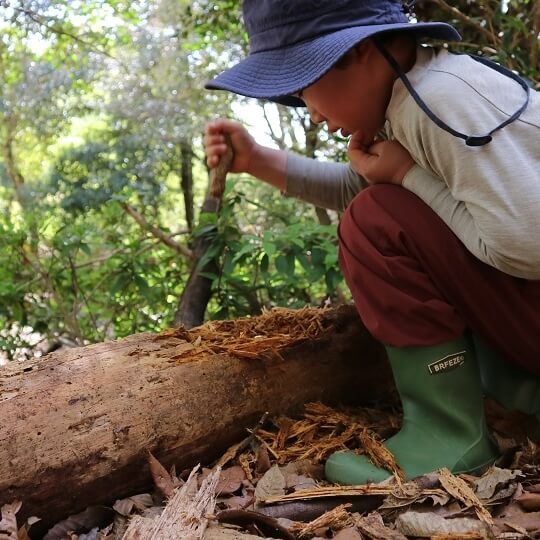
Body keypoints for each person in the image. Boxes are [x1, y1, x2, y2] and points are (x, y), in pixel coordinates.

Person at [204, 0, 540, 484]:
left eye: (303, 83)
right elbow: (372, 188)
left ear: (358, 50)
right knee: (383, 207)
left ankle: (450, 435)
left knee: (375, 221)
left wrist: (405, 174)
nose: (310, 111)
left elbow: (525, 248)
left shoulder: (437, 101)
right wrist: (257, 160)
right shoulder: (421, 89)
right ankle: (518, 396)